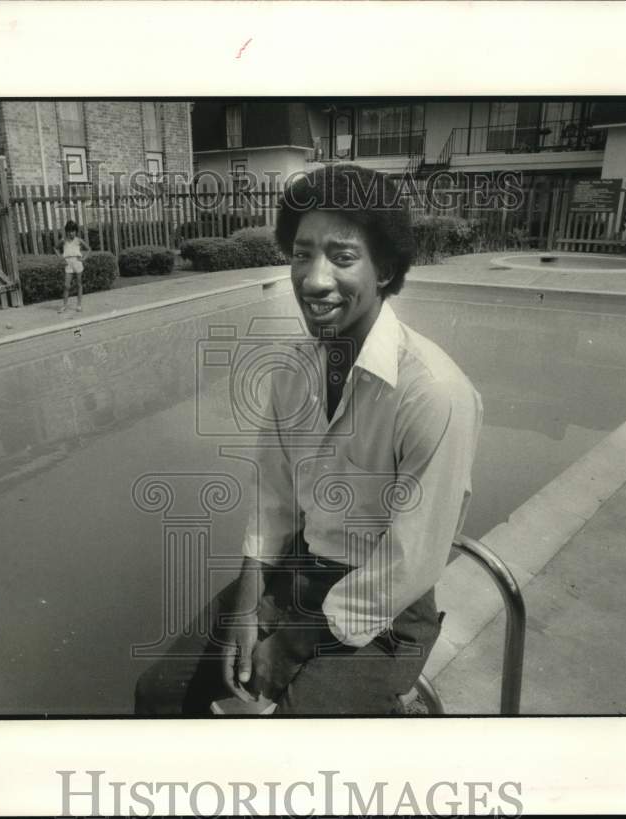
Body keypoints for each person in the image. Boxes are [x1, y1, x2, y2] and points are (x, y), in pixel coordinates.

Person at [134, 164, 483, 715]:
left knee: (282, 740)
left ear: (386, 268)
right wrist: (247, 607)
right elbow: (272, 499)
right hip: (296, 574)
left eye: (343, 257)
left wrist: (291, 646)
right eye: (301, 254)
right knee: (158, 694)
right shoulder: (294, 370)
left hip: (385, 608)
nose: (315, 280)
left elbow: (410, 561)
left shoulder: (433, 392)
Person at [55, 220, 91, 313]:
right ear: (66, 231)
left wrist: (83, 259)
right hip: (68, 264)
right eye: (70, 231)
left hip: (77, 263)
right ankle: (64, 305)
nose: (71, 233)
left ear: (76, 231)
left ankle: (79, 305)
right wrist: (60, 258)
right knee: (66, 286)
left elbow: (88, 249)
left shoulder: (79, 240)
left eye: (73, 231)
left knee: (79, 284)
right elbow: (55, 248)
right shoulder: (63, 240)